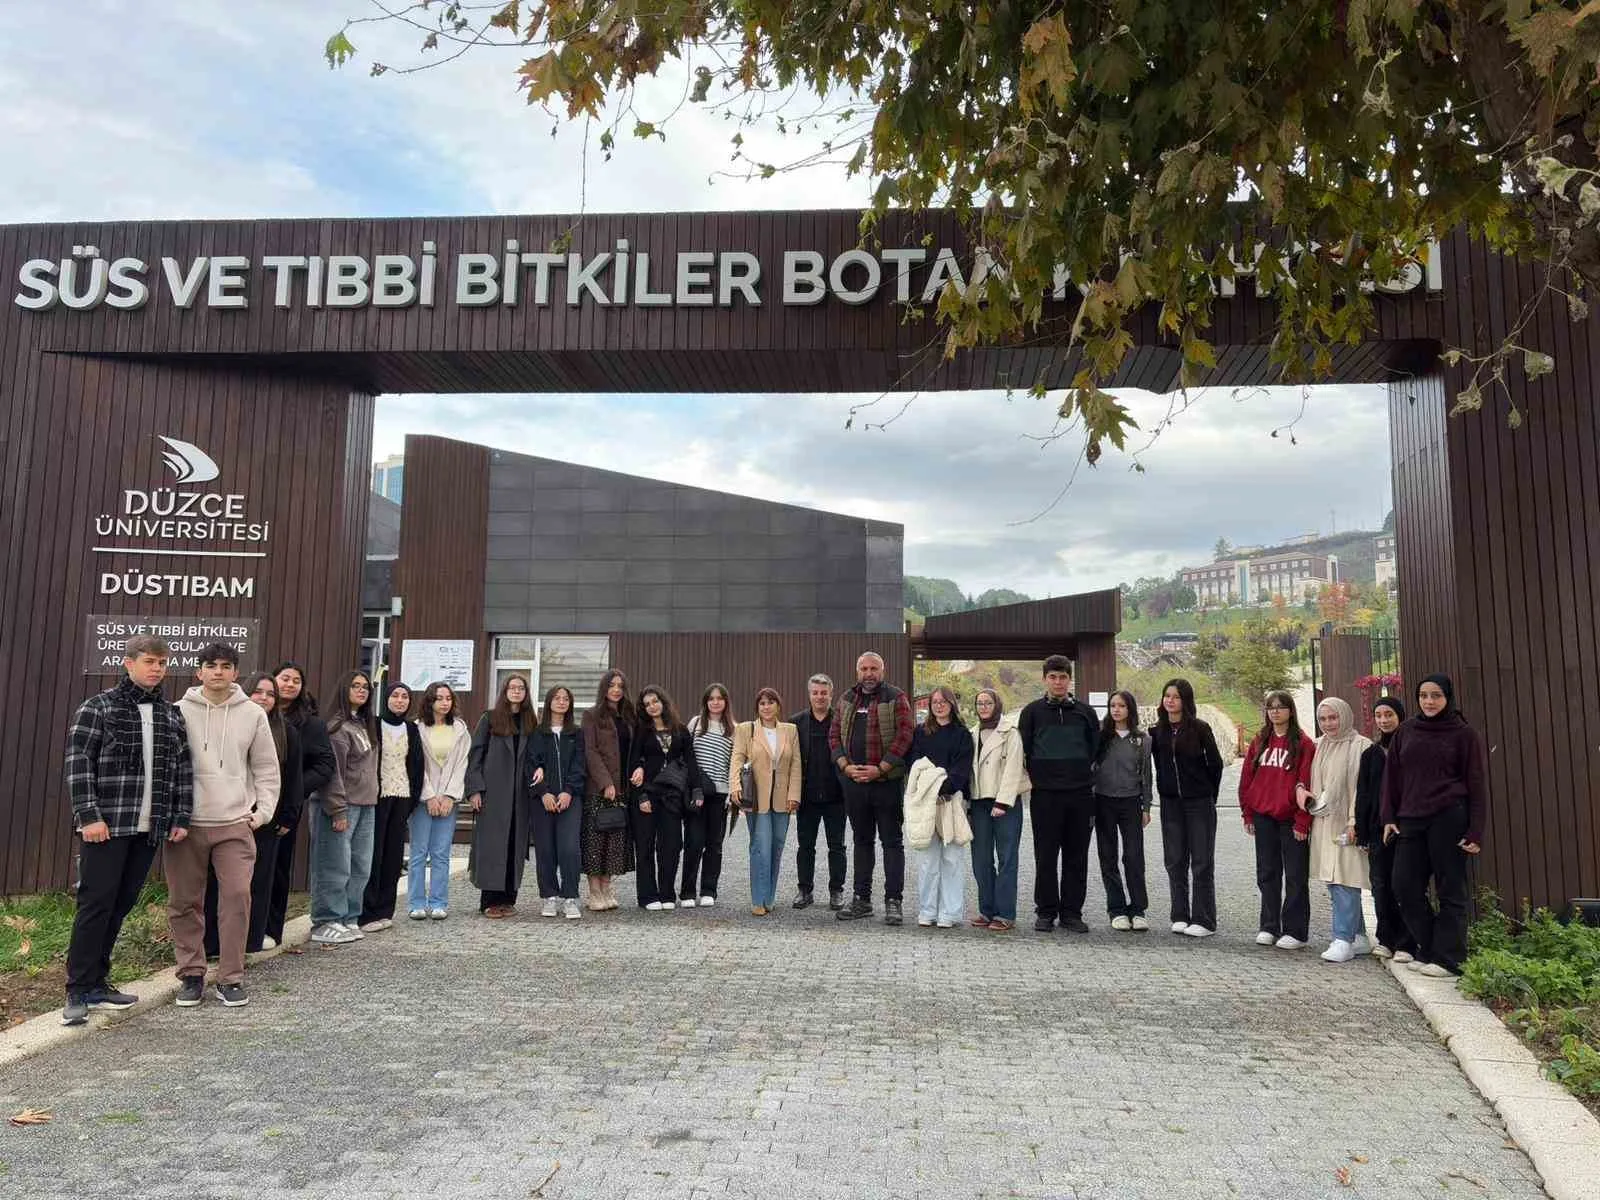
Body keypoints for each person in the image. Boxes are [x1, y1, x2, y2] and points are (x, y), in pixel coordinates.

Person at [60, 636, 193, 1027]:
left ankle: (99, 982)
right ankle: (78, 989)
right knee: (95, 903)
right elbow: (78, 762)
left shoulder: (170, 714)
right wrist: (88, 815)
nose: (156, 668)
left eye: (162, 663)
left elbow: (182, 770)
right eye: (149, 661)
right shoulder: (98, 707)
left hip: (148, 828)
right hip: (107, 824)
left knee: (120, 904)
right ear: (128, 663)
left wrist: (180, 817)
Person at [169, 643, 280, 1008]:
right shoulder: (177, 712)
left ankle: (230, 977)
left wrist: (262, 812)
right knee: (185, 902)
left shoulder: (252, 714)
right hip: (186, 826)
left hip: (235, 823)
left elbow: (266, 768)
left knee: (236, 897)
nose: (218, 672)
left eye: (226, 666)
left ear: (235, 672)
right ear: (198, 671)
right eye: (211, 666)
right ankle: (191, 973)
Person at [1381, 675, 1488, 978]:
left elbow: (1476, 784)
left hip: (1449, 817)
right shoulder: (1406, 731)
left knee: (1450, 888)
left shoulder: (1464, 734)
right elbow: (1392, 779)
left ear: (1448, 698)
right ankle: (1428, 947)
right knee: (1403, 885)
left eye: (1436, 695)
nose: (1429, 701)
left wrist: (1475, 831)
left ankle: (1449, 959)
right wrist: (1389, 817)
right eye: (1424, 695)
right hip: (1411, 819)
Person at [202, 671, 304, 956]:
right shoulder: (229, 724)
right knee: (220, 883)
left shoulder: (286, 731)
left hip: (267, 820)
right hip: (228, 816)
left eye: (271, 694)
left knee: (258, 882)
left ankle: (250, 940)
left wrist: (287, 816)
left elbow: (292, 778)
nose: (265, 698)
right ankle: (212, 942)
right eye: (258, 692)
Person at [830, 652, 916, 926]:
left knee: (892, 842)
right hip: (854, 784)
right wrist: (845, 766)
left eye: (874, 668)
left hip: (887, 783)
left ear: (883, 669)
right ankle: (862, 899)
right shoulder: (846, 699)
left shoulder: (896, 697)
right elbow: (834, 736)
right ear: (857, 671)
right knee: (861, 841)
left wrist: (881, 768)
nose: (869, 673)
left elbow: (905, 735)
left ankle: (894, 901)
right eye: (864, 669)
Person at [1018, 655, 1102, 933]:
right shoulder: (1031, 713)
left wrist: (1079, 775)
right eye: (1052, 677)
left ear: (1070, 679)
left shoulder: (1086, 713)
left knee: (1077, 857)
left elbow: (1095, 749)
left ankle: (1071, 913)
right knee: (1045, 856)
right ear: (1044, 679)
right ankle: (1045, 911)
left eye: (1063, 677)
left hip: (1080, 796)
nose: (1058, 682)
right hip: (1045, 796)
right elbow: (1025, 750)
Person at [1239, 691, 1315, 950]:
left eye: (1281, 707)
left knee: (1295, 875)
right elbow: (1246, 780)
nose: (1275, 712)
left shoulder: (1303, 744)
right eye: (1271, 707)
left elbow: (1308, 785)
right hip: (1263, 817)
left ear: (1290, 711)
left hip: (1291, 819)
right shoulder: (1260, 741)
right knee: (1267, 873)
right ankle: (1269, 926)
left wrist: (1303, 822)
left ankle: (1295, 931)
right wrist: (1247, 813)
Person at [267, 662, 335, 950]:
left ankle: (271, 928)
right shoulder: (250, 714)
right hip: (247, 803)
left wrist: (294, 788)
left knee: (278, 867)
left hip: (286, 805)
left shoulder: (311, 724)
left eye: (296, 680)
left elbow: (324, 765)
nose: (290, 684)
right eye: (285, 678)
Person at [1150, 678, 1225, 938]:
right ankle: (1179, 915)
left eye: (1176, 696)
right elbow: (1159, 767)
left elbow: (1215, 765)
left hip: (1199, 803)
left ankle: (1204, 919)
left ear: (1185, 700)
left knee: (1202, 861)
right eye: (1166, 695)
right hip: (1170, 804)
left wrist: (1207, 795)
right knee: (1175, 860)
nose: (1170, 700)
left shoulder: (1200, 729)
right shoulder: (1156, 731)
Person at [310, 670, 379, 945]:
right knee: (334, 865)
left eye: (365, 687)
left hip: (366, 804)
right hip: (341, 805)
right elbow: (332, 772)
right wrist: (337, 809)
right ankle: (326, 920)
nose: (361, 691)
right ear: (343, 689)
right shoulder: (336, 727)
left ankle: (349, 916)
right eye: (355, 686)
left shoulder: (363, 724)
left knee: (359, 866)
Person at [1301, 696, 1372, 963]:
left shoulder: (1361, 746)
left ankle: (1342, 939)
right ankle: (1360, 936)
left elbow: (1362, 790)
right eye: (1323, 719)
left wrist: (1356, 822)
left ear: (1344, 716)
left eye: (1333, 717)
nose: (1329, 723)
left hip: (1347, 824)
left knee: (1346, 879)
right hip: (1323, 822)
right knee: (1335, 881)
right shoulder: (1317, 746)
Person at [631, 686, 707, 911]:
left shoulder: (681, 731)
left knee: (671, 845)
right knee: (645, 847)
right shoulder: (641, 732)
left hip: (673, 796)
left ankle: (666, 893)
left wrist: (697, 790)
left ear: (663, 702)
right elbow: (633, 763)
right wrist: (641, 795)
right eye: (647, 704)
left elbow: (691, 763)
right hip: (647, 796)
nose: (652, 706)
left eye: (655, 701)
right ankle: (647, 896)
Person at [468, 675, 539, 917]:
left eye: (521, 688)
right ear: (505, 691)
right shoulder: (490, 718)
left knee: (514, 846)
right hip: (494, 793)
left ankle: (508, 899)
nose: (517, 691)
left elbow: (536, 755)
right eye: (512, 687)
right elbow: (475, 754)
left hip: (520, 796)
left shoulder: (531, 721)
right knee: (493, 847)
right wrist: (475, 789)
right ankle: (489, 901)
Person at [904, 686, 974, 929]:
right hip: (926, 804)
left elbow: (960, 771)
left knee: (952, 860)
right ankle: (927, 910)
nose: (939, 705)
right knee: (927, 860)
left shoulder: (963, 735)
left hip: (952, 801)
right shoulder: (921, 733)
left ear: (952, 704)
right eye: (935, 701)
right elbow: (916, 766)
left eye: (944, 701)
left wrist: (938, 783)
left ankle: (950, 913)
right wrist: (932, 783)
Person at [729, 687, 801, 915]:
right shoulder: (745, 730)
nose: (766, 707)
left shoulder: (790, 730)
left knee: (777, 846)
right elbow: (737, 758)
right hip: (757, 798)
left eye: (770, 703)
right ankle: (758, 900)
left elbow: (796, 765)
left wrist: (794, 795)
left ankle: (769, 897)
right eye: (762, 703)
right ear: (757, 707)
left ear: (778, 705)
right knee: (761, 847)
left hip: (782, 799)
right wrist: (735, 786)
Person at [1355, 697, 1415, 961]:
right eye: (1379, 715)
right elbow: (1364, 794)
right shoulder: (1370, 754)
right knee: (1380, 885)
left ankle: (1407, 942)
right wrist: (1361, 829)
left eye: (1388, 714)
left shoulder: (1412, 749)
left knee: (1405, 884)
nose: (1383, 720)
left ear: (1400, 716)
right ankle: (1385, 938)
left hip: (1408, 827)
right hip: (1378, 829)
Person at [360, 682, 422, 931]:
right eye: (395, 696)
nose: (399, 700)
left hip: (402, 797)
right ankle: (366, 912)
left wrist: (412, 800)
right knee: (372, 854)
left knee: (393, 856)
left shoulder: (411, 729)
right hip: (376, 797)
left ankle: (385, 910)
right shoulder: (372, 724)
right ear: (385, 699)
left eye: (405, 697)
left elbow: (417, 766)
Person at [1092, 689, 1152, 933]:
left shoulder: (1142, 740)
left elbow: (1147, 776)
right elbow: (1091, 769)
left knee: (1134, 858)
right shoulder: (1100, 737)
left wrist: (1146, 806)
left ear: (1130, 709)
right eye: (1113, 705)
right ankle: (1116, 909)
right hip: (1103, 802)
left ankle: (1138, 909)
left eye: (1122, 706)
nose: (1116, 710)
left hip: (1131, 803)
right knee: (1108, 857)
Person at [968, 688, 1027, 931]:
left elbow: (1014, 767)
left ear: (997, 704)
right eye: (979, 703)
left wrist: (1003, 802)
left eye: (987, 703)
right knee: (981, 860)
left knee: (1006, 859)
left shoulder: (1010, 733)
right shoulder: (972, 733)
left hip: (1005, 803)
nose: (983, 707)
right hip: (979, 802)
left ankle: (1005, 914)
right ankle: (986, 910)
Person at [411, 682, 470, 919]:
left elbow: (461, 764)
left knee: (441, 853)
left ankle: (438, 902)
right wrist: (429, 796)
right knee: (418, 852)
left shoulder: (460, 729)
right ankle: (415, 903)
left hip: (449, 801)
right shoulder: (416, 729)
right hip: (423, 800)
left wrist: (448, 796)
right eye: (439, 698)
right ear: (430, 701)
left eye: (448, 698)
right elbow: (415, 765)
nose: (445, 702)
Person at [527, 684, 587, 919]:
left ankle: (570, 897)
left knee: (569, 848)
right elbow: (531, 764)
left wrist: (569, 791)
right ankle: (549, 897)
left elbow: (579, 765)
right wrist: (543, 793)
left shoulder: (576, 733)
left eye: (566, 699)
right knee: (545, 849)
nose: (561, 702)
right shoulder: (537, 733)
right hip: (543, 800)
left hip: (570, 800)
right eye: (557, 698)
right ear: (549, 702)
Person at [790, 674, 848, 911]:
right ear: (809, 694)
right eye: (815, 692)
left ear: (831, 694)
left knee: (837, 846)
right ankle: (805, 890)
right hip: (807, 796)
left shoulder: (843, 721)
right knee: (805, 846)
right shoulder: (796, 722)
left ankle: (836, 892)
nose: (819, 697)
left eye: (824, 693)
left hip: (837, 795)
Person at [581, 669, 637, 911]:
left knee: (614, 840)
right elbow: (590, 751)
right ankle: (594, 892)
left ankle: (607, 887)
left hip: (624, 788)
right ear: (604, 688)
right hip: (598, 788)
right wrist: (606, 783)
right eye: (612, 685)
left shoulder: (629, 716)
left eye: (620, 686)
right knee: (596, 841)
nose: (616, 689)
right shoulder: (591, 716)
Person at [684, 683, 735, 908]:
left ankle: (708, 890)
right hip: (697, 794)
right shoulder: (695, 723)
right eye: (711, 698)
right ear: (706, 701)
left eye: (720, 698)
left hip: (720, 795)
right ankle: (687, 892)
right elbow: (684, 756)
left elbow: (735, 764)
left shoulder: (734, 729)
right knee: (693, 842)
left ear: (726, 701)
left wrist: (732, 794)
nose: (715, 702)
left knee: (714, 844)